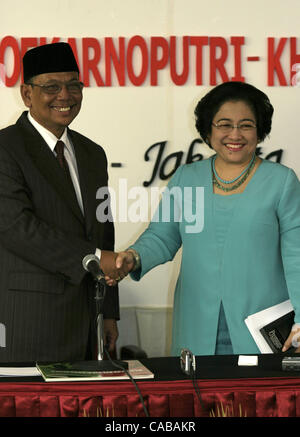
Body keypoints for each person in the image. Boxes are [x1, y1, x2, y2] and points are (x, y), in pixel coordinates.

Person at [111, 81, 300, 356]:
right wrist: (133, 257)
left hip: (262, 330)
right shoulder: (187, 178)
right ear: (208, 130)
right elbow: (163, 236)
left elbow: (297, 256)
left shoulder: (281, 181)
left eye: (246, 125)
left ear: (259, 131)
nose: (235, 134)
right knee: (195, 398)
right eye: (224, 124)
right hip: (196, 324)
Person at [0, 42, 125, 362]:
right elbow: (16, 227)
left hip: (90, 323)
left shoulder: (92, 153)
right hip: (31, 322)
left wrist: (109, 311)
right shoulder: (6, 148)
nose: (65, 96)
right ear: (27, 94)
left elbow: (103, 229)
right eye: (51, 87)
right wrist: (97, 258)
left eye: (73, 85)